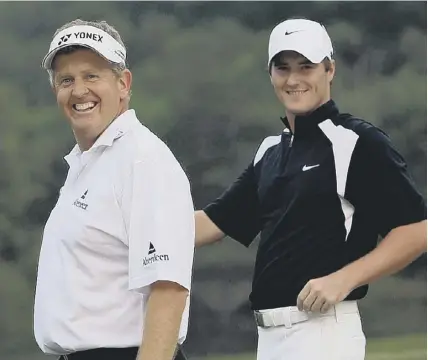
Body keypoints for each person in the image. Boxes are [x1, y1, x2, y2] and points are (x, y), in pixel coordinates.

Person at [195, 17, 427, 360]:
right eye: (283, 68)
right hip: (270, 337)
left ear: (329, 70)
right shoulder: (272, 150)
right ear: (270, 74)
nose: (293, 79)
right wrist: (121, 232)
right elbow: (213, 224)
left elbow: (416, 230)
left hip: (323, 333)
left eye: (306, 67)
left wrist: (343, 279)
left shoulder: (357, 142)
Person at [34, 19, 194, 360]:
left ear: (123, 83)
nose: (78, 91)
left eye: (92, 76)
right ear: (56, 92)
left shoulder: (142, 159)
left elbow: (168, 289)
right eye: (66, 80)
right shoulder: (89, 165)